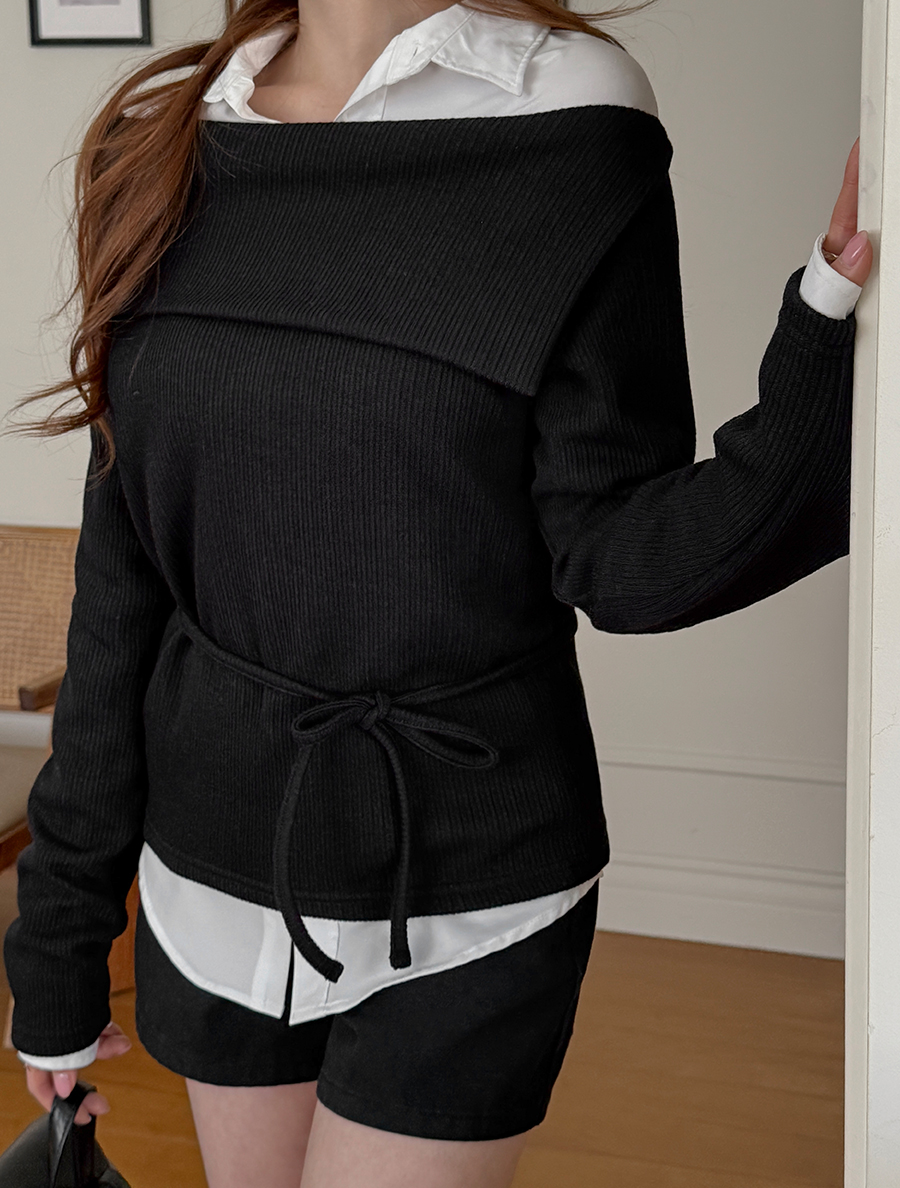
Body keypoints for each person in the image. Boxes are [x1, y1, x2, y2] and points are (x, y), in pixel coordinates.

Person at [2, 1, 873, 1186]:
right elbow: (123, 589)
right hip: (210, 873)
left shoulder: (570, 111)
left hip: (475, 872)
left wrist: (828, 322)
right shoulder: (162, 139)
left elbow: (623, 558)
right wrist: (58, 941)